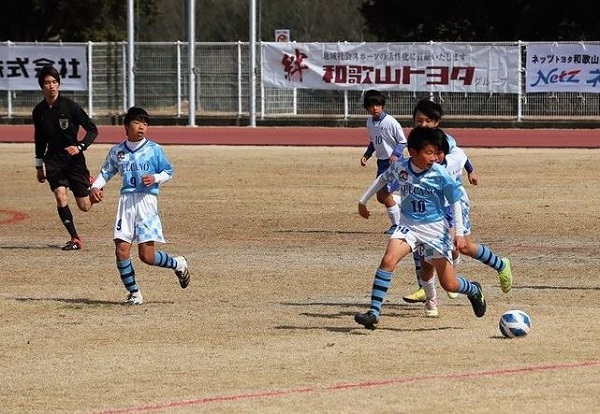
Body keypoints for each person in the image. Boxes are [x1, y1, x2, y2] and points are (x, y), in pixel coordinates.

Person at [354, 127, 486, 329]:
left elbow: (456, 201)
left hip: (435, 231)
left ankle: (474, 290)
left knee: (449, 284)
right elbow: (382, 179)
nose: (434, 157)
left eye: (436, 152)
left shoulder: (439, 173)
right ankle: (373, 313)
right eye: (429, 152)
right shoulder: (401, 167)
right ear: (413, 152)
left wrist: (458, 233)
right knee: (388, 260)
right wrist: (363, 201)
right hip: (409, 226)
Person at [402, 98, 512, 304]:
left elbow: (462, 156)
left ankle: (500, 264)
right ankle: (425, 287)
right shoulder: (414, 141)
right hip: (429, 203)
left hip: (452, 202)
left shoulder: (446, 141)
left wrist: (470, 171)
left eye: (427, 121)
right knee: (421, 244)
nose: (423, 125)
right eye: (419, 121)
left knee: (462, 246)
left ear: (436, 122)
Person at [89, 107, 190, 305]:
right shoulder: (118, 151)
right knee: (121, 250)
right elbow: (105, 172)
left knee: (147, 256)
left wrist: (155, 178)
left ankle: (178, 263)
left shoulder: (154, 149)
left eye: (145, 123)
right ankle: (134, 294)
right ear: (126, 126)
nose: (142, 126)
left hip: (146, 203)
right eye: (137, 122)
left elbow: (168, 171)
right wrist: (95, 187)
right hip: (126, 203)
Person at [33, 64, 98, 250]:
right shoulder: (38, 112)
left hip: (74, 161)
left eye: (54, 82)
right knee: (60, 197)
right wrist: (39, 166)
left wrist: (80, 146)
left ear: (59, 85)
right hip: (53, 160)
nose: (51, 86)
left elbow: (93, 129)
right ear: (42, 86)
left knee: (84, 206)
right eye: (47, 83)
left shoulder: (70, 106)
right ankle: (75, 238)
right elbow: (39, 139)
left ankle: (91, 185)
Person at [359, 89, 407, 234]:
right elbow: (374, 142)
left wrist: (396, 154)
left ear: (382, 105)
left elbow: (402, 141)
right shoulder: (370, 122)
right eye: (371, 106)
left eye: (378, 105)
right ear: (367, 108)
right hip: (381, 164)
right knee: (381, 197)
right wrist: (367, 155)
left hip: (395, 164)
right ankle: (406, 203)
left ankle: (397, 226)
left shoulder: (391, 122)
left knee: (385, 195)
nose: (375, 108)